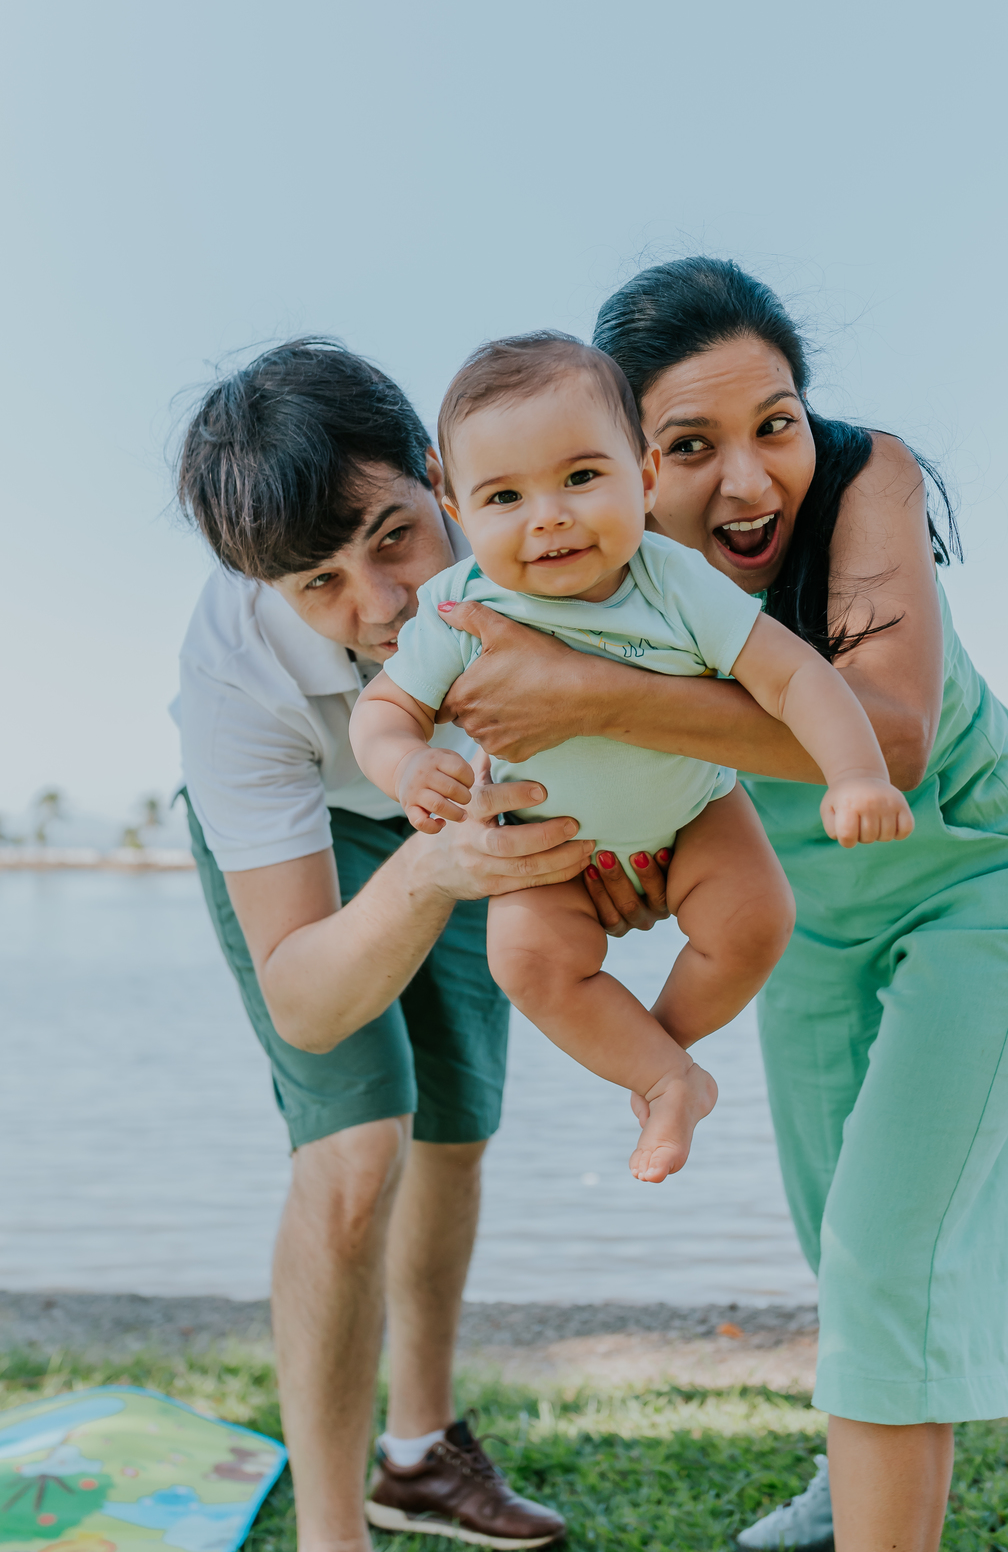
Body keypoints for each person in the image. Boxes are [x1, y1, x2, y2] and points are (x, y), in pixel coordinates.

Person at [429, 262, 1008, 1552]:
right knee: (836, 1231)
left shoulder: (864, 478)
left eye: (773, 422)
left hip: (984, 883)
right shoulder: (572, 564)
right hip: (812, 918)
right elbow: (558, 756)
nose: (749, 481)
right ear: (624, 457)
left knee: (895, 1242)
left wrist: (591, 696)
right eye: (690, 446)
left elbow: (886, 738)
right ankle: (855, 1487)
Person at [173, 339, 598, 1552]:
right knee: (358, 1151)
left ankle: (417, 1455)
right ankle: (331, 1533)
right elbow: (305, 999)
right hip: (321, 843)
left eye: (395, 537)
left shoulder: (530, 528)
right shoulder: (233, 671)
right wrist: (425, 869)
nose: (379, 605)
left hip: (450, 804)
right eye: (318, 582)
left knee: (456, 1131)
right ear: (265, 584)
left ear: (437, 476)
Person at [351, 333, 912, 1184]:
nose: (549, 516)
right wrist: (401, 765)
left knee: (758, 919)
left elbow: (796, 675)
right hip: (550, 850)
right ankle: (664, 1077)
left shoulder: (673, 581)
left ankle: (664, 1048)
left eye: (581, 478)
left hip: (695, 815)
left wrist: (858, 773)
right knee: (527, 963)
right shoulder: (461, 606)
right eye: (505, 496)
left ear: (643, 478)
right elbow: (384, 708)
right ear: (457, 511)